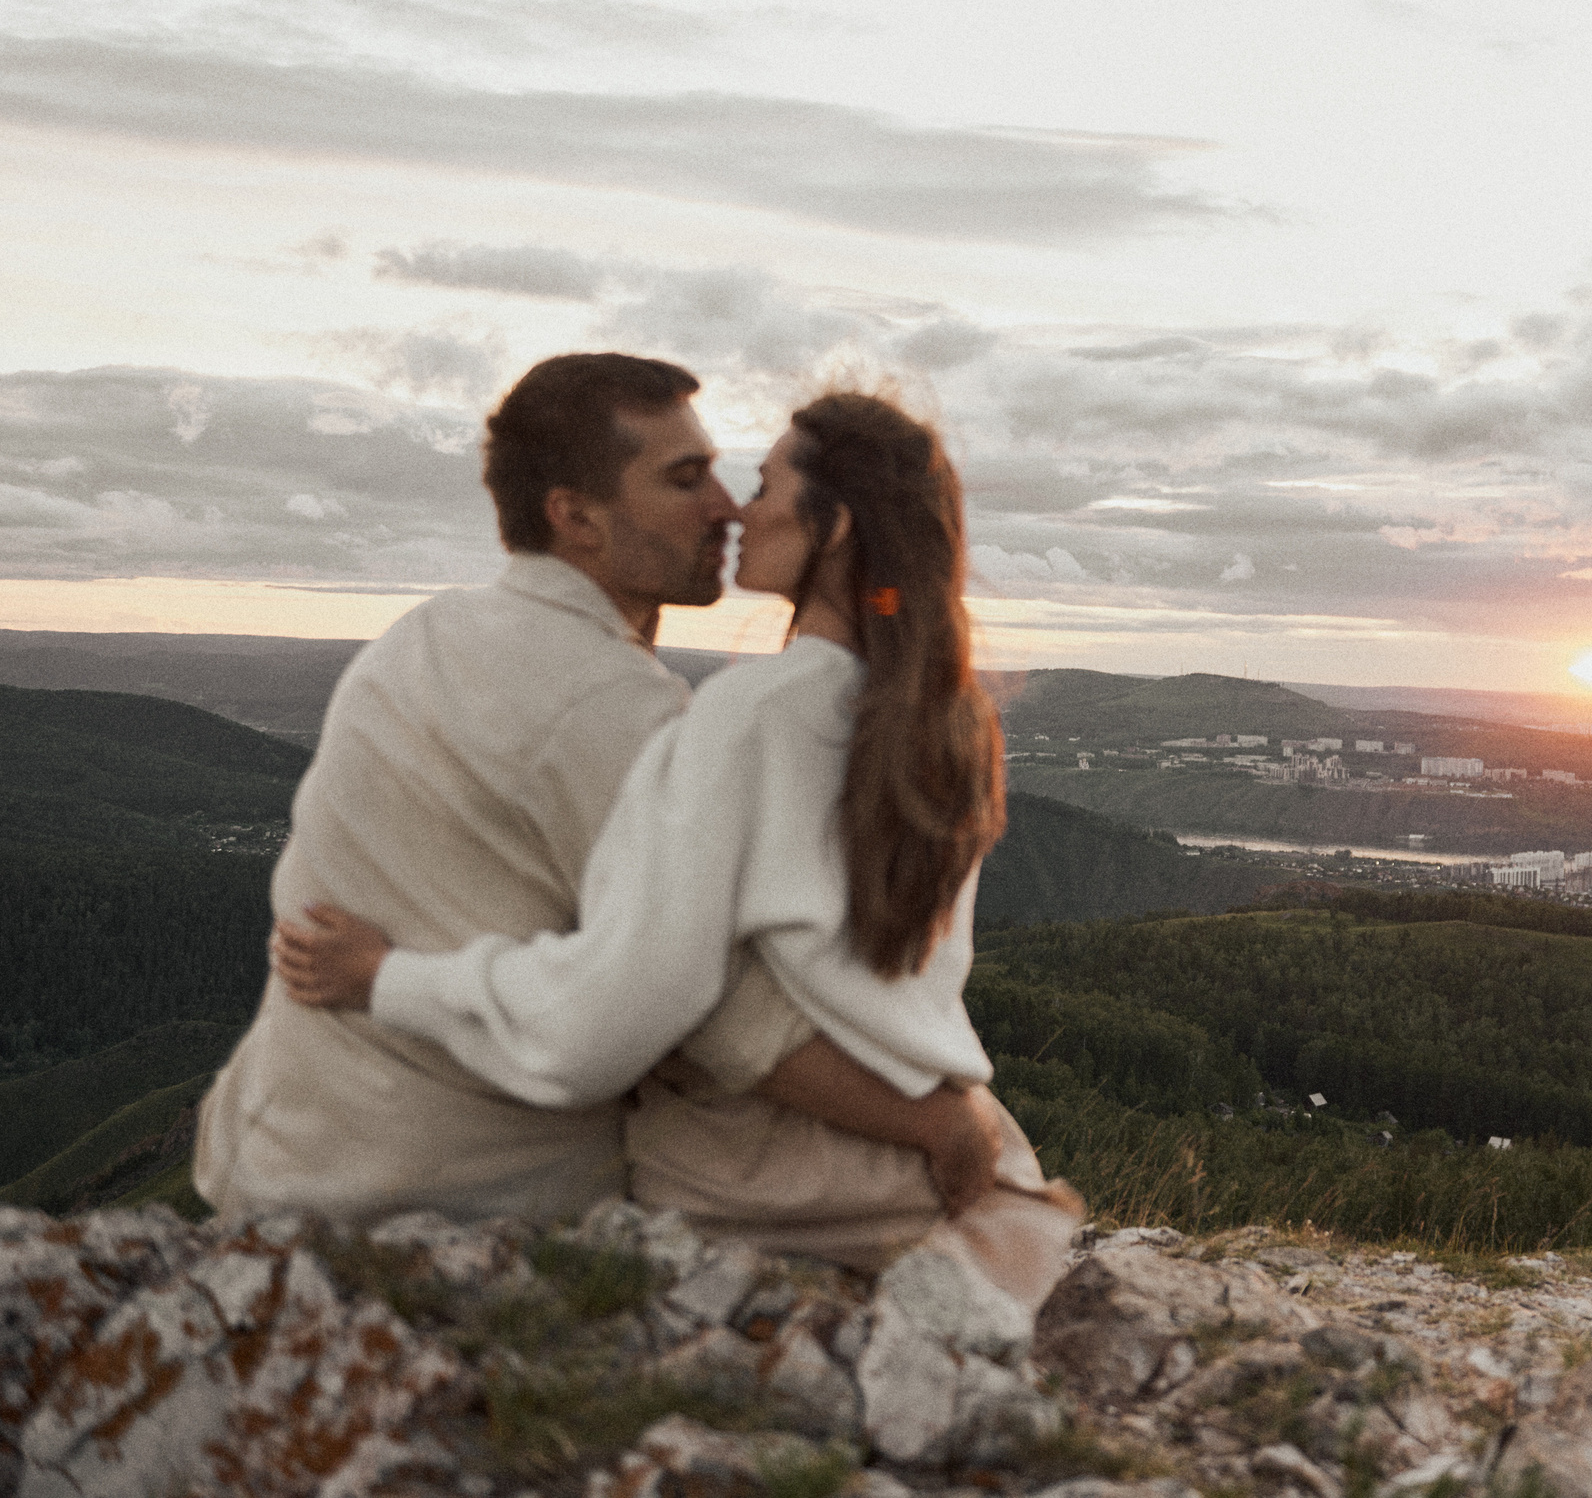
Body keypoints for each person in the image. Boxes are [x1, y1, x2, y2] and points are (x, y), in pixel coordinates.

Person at [272, 390, 1080, 1309]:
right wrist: (939, 1122)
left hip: (763, 1181)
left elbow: (621, 1003)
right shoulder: (946, 727)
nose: (738, 506)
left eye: (768, 482)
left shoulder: (747, 717)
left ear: (836, 522)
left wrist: (387, 976)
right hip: (946, 1168)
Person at [195, 352, 738, 1223]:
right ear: (576, 517)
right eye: (688, 479)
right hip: (462, 1205)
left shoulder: (418, 636)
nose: (727, 506)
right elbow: (617, 1019)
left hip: (272, 1157)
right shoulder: (621, 706)